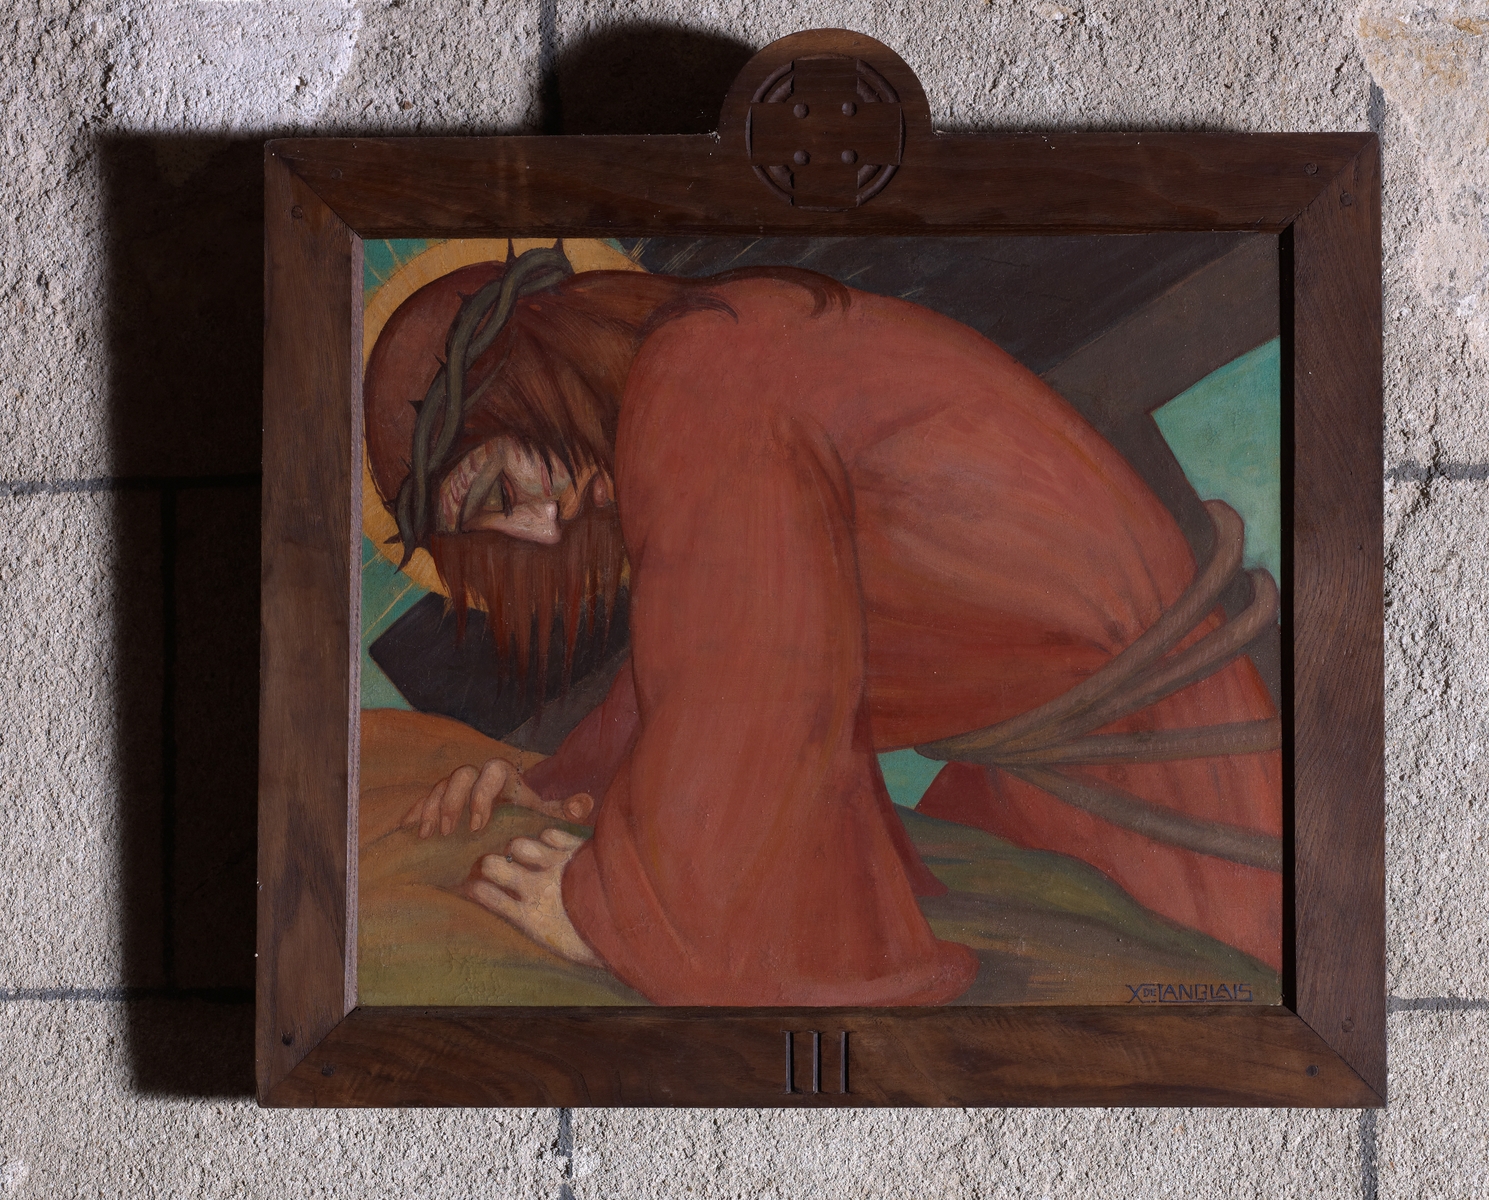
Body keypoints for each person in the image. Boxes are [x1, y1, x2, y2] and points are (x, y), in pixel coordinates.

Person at [366, 246, 1282, 1006]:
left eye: (499, 489)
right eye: (493, 529)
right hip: (1069, 773)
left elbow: (749, 691)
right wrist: (563, 789)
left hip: (1166, 794)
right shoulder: (704, 355)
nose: (540, 530)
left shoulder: (705, 383)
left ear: (538, 372)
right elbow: (697, 657)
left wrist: (612, 916)